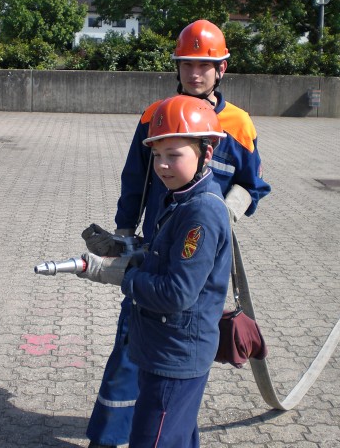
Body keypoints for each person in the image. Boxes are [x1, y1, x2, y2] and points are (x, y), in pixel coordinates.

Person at [82, 19, 271, 448]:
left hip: (197, 256)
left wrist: (222, 212)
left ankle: (164, 431)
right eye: (187, 64)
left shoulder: (237, 125)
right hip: (153, 251)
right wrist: (123, 234)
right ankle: (109, 437)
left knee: (178, 353)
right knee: (131, 343)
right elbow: (135, 179)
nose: (194, 73)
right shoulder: (158, 114)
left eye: (204, 65)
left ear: (221, 69)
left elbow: (254, 185)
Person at [78, 95, 232, 447]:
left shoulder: (201, 213)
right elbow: (163, 256)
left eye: (174, 155)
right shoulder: (177, 197)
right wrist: (128, 251)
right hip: (162, 347)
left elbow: (176, 293)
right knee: (176, 437)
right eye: (157, 155)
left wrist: (123, 276)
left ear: (206, 153)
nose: (162, 166)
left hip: (175, 355)